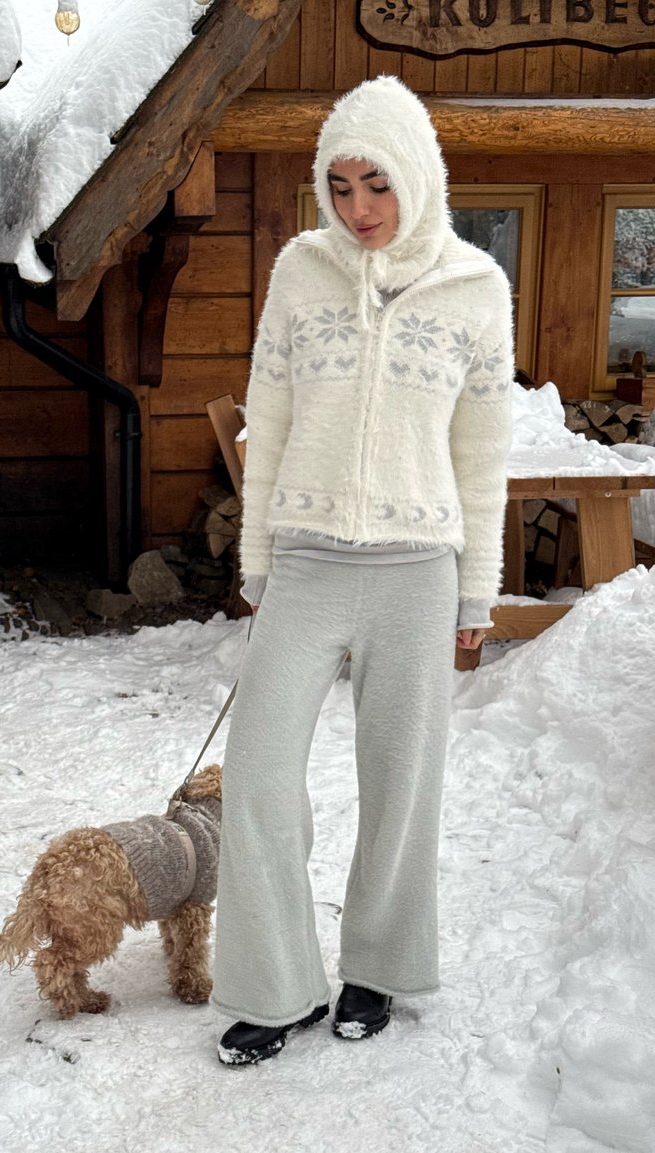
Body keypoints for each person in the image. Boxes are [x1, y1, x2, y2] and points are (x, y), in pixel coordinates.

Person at [211, 76, 514, 1066]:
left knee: (401, 779)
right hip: (304, 558)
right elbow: (272, 413)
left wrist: (477, 591)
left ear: (414, 177)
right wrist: (256, 558)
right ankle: (274, 982)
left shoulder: (474, 288)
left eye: (373, 183)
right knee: (255, 776)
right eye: (337, 186)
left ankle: (374, 964)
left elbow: (480, 450)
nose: (356, 209)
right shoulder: (300, 271)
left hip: (416, 569)